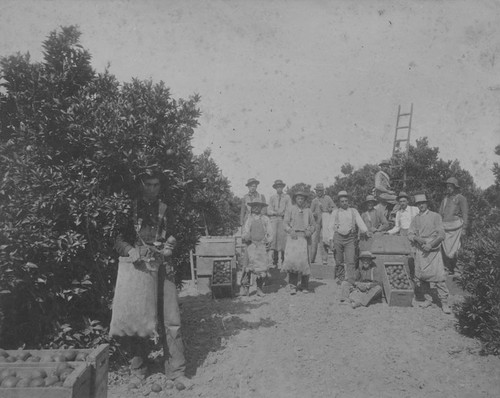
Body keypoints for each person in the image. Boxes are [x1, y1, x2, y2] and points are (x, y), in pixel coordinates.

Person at [113, 171, 191, 389]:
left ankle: (176, 372)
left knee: (172, 319)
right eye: (148, 184)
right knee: (138, 320)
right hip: (139, 269)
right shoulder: (130, 209)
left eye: (156, 185)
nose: (152, 189)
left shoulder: (165, 209)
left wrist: (170, 244)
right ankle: (138, 371)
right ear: (141, 185)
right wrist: (130, 250)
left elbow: (175, 234)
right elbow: (117, 239)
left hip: (163, 266)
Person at [408, 193, 451, 314]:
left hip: (433, 249)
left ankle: (444, 303)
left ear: (427, 204)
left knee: (439, 277)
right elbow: (410, 234)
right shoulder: (415, 219)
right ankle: (428, 299)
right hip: (420, 250)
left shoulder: (435, 216)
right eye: (418, 204)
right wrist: (417, 239)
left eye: (423, 203)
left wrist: (430, 244)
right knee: (422, 277)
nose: (421, 205)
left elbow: (441, 235)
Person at [326, 191, 371, 283]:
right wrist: (331, 240)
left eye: (346, 201)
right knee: (339, 260)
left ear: (348, 201)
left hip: (350, 238)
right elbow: (330, 227)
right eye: (342, 201)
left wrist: (366, 231)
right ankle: (341, 278)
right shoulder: (335, 212)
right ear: (339, 202)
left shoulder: (353, 211)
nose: (344, 203)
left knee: (350, 260)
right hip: (338, 237)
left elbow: (360, 222)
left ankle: (351, 279)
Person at [282, 191, 315, 294]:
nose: (300, 200)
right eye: (298, 198)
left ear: (305, 200)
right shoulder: (290, 209)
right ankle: (293, 286)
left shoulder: (308, 211)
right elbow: (285, 223)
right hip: (294, 238)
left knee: (305, 262)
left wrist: (310, 231)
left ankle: (304, 285)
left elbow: (313, 225)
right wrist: (290, 230)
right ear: (295, 199)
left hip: (305, 238)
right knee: (293, 262)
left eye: (302, 199)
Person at [240, 200, 273, 297]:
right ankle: (245, 288)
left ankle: (259, 289)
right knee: (248, 267)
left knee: (261, 269)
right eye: (254, 206)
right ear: (251, 208)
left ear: (261, 208)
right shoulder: (249, 219)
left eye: (258, 206)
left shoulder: (265, 219)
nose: (256, 208)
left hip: (261, 246)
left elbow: (270, 232)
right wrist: (247, 237)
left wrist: (267, 240)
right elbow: (245, 232)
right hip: (251, 245)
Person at [439, 177, 469, 276]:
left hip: (456, 227)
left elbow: (465, 214)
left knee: (457, 248)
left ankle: (458, 269)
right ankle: (447, 268)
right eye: (447, 186)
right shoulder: (445, 199)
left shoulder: (461, 198)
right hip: (445, 227)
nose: (448, 188)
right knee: (444, 248)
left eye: (450, 186)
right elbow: (440, 213)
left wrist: (464, 228)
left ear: (455, 187)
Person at [267, 179, 292, 268]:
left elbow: (289, 209)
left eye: (280, 187)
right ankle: (275, 261)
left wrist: (284, 215)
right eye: (277, 187)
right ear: (275, 188)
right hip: (274, 220)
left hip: (283, 220)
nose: (279, 188)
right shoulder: (272, 197)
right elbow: (268, 210)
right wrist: (274, 212)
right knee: (274, 240)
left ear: (282, 187)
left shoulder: (287, 197)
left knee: (283, 240)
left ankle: (284, 261)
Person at [310, 183, 336, 265]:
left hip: (326, 222)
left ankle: (324, 259)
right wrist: (314, 214)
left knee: (324, 239)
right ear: (316, 191)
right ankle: (312, 259)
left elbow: (334, 207)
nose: (319, 192)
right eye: (318, 191)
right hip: (317, 222)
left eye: (321, 191)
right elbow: (310, 212)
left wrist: (329, 209)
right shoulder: (314, 201)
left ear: (323, 191)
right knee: (314, 240)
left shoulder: (327, 198)